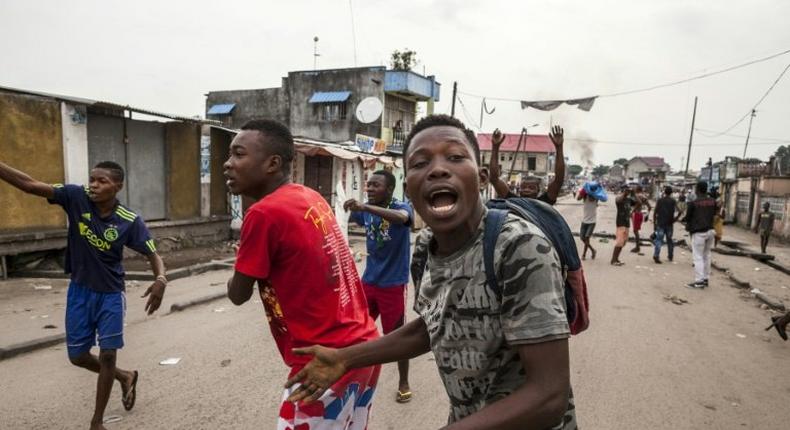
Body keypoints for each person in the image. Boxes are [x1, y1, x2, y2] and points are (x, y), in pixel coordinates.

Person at [285, 114, 577, 429]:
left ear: (480, 179)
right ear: (409, 189)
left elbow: (549, 396)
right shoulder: (425, 245)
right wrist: (346, 358)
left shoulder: (519, 246)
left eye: (455, 157)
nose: (438, 168)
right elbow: (432, 325)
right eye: (420, 162)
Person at [224, 119, 380, 429]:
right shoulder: (309, 196)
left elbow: (238, 294)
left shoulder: (263, 213)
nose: (228, 164)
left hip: (325, 360)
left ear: (272, 163)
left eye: (238, 154)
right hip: (362, 350)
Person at [0, 160, 166, 430]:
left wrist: (160, 278)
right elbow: (29, 185)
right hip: (79, 292)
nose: (94, 185)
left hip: (111, 294)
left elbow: (153, 254)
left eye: (102, 181)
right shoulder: (76, 197)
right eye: (92, 179)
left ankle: (97, 421)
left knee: (108, 355)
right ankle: (125, 377)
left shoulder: (128, 220)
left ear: (118, 186)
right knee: (77, 356)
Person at [344, 169, 414, 404]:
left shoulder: (402, 207)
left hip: (393, 284)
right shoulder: (366, 210)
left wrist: (364, 207)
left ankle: (403, 382)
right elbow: (346, 219)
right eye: (368, 185)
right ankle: (348, 375)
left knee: (396, 336)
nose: (370, 189)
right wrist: (346, 209)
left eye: (376, 185)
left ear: (390, 189)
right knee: (356, 329)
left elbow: (402, 219)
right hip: (369, 281)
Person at [489, 126, 566, 204]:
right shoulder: (513, 201)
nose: (527, 190)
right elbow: (494, 179)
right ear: (519, 190)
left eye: (531, 187)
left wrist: (559, 147)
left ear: (538, 190)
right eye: (523, 187)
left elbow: (558, 180)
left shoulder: (544, 202)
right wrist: (495, 147)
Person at [683, 181, 718, 289]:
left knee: (698, 257)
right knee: (706, 255)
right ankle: (705, 279)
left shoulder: (693, 203)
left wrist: (685, 221)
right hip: (710, 231)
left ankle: (699, 281)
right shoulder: (713, 201)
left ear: (697, 189)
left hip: (699, 232)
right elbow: (715, 214)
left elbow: (687, 218)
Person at [652, 186, 681, 264]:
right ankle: (670, 256)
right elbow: (680, 211)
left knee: (659, 240)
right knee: (669, 240)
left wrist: (654, 223)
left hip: (660, 223)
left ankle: (656, 255)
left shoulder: (660, 200)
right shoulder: (673, 201)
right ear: (671, 193)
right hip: (669, 224)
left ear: (664, 192)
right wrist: (675, 219)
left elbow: (655, 212)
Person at [611, 185, 635, 266]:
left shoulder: (629, 200)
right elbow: (618, 201)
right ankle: (613, 260)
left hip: (627, 223)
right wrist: (624, 193)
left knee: (623, 242)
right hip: (620, 223)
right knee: (619, 242)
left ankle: (616, 259)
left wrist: (633, 194)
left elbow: (639, 203)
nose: (628, 192)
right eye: (626, 190)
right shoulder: (619, 199)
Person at [576, 186, 599, 260]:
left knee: (587, 237)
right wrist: (583, 191)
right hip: (584, 221)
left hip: (592, 222)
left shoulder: (596, 198)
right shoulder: (585, 197)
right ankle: (593, 250)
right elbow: (578, 198)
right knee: (582, 238)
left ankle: (584, 254)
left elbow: (601, 196)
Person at [629, 185, 652, 254]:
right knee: (636, 231)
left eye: (635, 188)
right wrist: (647, 215)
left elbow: (638, 204)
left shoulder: (636, 196)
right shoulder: (644, 196)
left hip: (636, 214)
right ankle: (637, 246)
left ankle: (637, 247)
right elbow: (650, 207)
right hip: (641, 214)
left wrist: (632, 211)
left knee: (635, 231)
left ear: (637, 189)